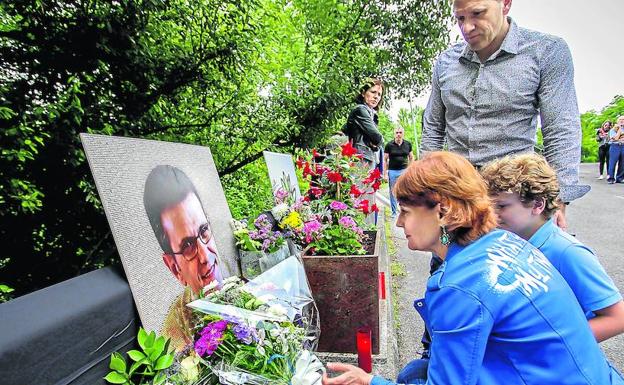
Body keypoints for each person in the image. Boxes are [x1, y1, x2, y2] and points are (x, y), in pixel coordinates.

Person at [322, 152, 624, 385]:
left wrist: (372, 380)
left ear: (443, 211)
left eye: (405, 212)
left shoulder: (459, 284)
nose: (399, 224)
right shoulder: (506, 241)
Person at [420, 0, 589, 230]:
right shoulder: (446, 62)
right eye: (460, 18)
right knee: (445, 263)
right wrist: (428, 189)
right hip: (456, 200)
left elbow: (561, 128)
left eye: (477, 13)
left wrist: (557, 199)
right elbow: (433, 128)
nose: (467, 27)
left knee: (513, 265)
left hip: (515, 202)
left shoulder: (546, 51)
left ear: (506, 4)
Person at [481, 153, 624, 342]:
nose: (492, 214)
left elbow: (617, 318)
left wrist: (550, 343)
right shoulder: (507, 241)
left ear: (538, 204)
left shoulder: (568, 252)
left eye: (501, 206)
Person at [143, 165, 224, 349]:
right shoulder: (177, 336)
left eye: (204, 230)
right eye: (187, 246)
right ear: (174, 268)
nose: (205, 256)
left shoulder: (242, 277)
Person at [343, 78, 384, 170]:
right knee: (359, 184)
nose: (376, 97)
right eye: (373, 92)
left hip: (367, 156)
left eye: (379, 94)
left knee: (366, 184)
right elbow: (377, 137)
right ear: (363, 93)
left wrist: (376, 145)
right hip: (360, 157)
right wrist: (378, 142)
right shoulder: (360, 110)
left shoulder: (372, 114)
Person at [383, 126, 414, 217]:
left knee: (405, 191)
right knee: (393, 191)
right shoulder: (389, 145)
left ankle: (404, 211)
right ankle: (394, 212)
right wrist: (385, 173)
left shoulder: (408, 144)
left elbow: (411, 157)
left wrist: (410, 169)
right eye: (397, 133)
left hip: (404, 171)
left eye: (400, 132)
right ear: (394, 134)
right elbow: (384, 160)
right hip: (392, 171)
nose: (398, 134)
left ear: (403, 134)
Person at [607, 116, 624, 184]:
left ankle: (620, 178)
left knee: (623, 163)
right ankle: (611, 178)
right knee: (612, 163)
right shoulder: (613, 129)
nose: (622, 120)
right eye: (620, 119)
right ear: (617, 121)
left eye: (623, 119)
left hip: (623, 146)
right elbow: (616, 138)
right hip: (615, 146)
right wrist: (620, 129)